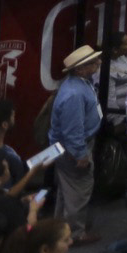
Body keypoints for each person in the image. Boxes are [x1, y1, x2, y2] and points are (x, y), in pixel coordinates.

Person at [48, 44, 103, 238]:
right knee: (78, 191)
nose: (98, 63)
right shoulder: (74, 94)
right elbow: (72, 131)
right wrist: (80, 155)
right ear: (80, 69)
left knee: (68, 191)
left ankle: (60, 230)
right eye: (93, 62)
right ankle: (75, 234)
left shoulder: (80, 83)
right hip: (74, 148)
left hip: (72, 145)